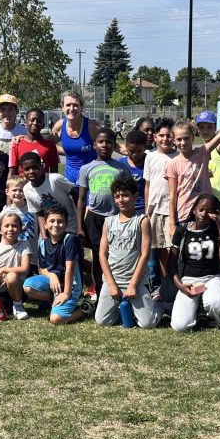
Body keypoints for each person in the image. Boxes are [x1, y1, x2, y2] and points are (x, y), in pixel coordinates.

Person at [95, 174, 161, 328]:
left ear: (135, 196)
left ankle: (158, 304)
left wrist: (133, 284)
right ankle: (124, 308)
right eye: (117, 196)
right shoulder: (109, 222)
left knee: (147, 324)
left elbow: (145, 254)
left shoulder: (142, 221)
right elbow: (102, 255)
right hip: (113, 281)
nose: (121, 200)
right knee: (102, 321)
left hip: (135, 282)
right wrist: (111, 284)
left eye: (125, 195)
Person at [168, 194, 220, 332]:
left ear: (216, 213)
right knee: (180, 326)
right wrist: (180, 285)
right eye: (201, 209)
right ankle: (196, 312)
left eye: (209, 211)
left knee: (216, 302)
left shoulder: (217, 229)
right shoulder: (183, 230)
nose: (204, 214)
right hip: (189, 280)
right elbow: (171, 264)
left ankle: (209, 316)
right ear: (194, 210)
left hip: (212, 278)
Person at [76, 128, 128, 297]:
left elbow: (127, 196)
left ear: (114, 145)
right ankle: (99, 292)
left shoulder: (121, 168)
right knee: (99, 258)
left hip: (115, 219)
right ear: (94, 145)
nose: (104, 145)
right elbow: (82, 200)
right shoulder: (86, 168)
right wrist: (80, 227)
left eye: (108, 142)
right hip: (94, 219)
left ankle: (117, 290)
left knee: (116, 256)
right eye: (101, 142)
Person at [166, 111, 220, 239]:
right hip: (184, 214)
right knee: (187, 253)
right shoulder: (172, 165)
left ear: (193, 136)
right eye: (179, 139)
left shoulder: (203, 152)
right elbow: (173, 195)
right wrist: (172, 224)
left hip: (207, 212)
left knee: (208, 248)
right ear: (173, 140)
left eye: (186, 138)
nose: (183, 142)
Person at [23, 205, 93, 324]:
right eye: (52, 221)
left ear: (66, 224)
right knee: (27, 286)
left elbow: (70, 270)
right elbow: (43, 268)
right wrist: (53, 276)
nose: (55, 225)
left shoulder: (70, 239)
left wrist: (66, 293)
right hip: (55, 284)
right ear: (45, 224)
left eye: (60, 221)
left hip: (70, 286)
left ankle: (87, 308)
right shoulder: (43, 244)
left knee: (56, 319)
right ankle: (56, 298)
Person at [144, 118, 177, 284]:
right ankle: (166, 286)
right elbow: (148, 185)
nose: (165, 139)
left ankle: (176, 283)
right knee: (162, 250)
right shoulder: (150, 157)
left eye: (169, 135)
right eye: (161, 135)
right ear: (155, 137)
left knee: (174, 250)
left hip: (174, 211)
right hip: (155, 211)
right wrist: (147, 210)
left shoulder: (179, 157)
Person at [0, 211, 32, 321]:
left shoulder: (24, 245)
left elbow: (24, 269)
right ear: (0, 229)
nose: (10, 229)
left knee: (11, 276)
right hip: (1, 291)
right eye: (6, 226)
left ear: (20, 229)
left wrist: (5, 269)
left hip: (18, 288)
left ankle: (18, 306)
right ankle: (8, 307)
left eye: (14, 226)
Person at [21, 151, 79, 239]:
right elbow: (39, 213)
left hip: (71, 228)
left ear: (42, 166)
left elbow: (76, 194)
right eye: (27, 169)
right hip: (50, 230)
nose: (31, 171)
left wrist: (80, 223)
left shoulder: (55, 179)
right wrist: (44, 236)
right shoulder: (27, 189)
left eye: (35, 167)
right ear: (22, 171)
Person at [50, 90, 100, 185]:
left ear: (81, 107)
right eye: (68, 105)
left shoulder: (91, 126)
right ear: (62, 108)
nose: (72, 108)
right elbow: (47, 144)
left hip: (92, 182)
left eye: (75, 105)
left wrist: (134, 150)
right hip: (69, 183)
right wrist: (23, 137)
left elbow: (113, 146)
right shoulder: (60, 126)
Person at [0, 176, 38, 265]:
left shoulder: (33, 209)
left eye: (21, 190)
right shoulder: (4, 213)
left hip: (32, 258)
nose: (18, 193)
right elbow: (1, 236)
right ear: (7, 192)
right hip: (12, 258)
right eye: (14, 190)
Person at [8, 108, 59, 177]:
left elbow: (54, 172)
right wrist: (10, 186)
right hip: (23, 186)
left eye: (38, 121)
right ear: (25, 123)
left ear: (43, 125)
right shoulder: (17, 144)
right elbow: (12, 172)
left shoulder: (50, 145)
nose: (35, 123)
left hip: (44, 187)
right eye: (32, 120)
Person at [119, 129, 148, 212]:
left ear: (145, 148)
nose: (135, 154)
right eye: (131, 151)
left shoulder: (149, 163)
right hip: (124, 208)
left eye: (139, 151)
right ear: (126, 146)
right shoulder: (120, 164)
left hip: (143, 208)